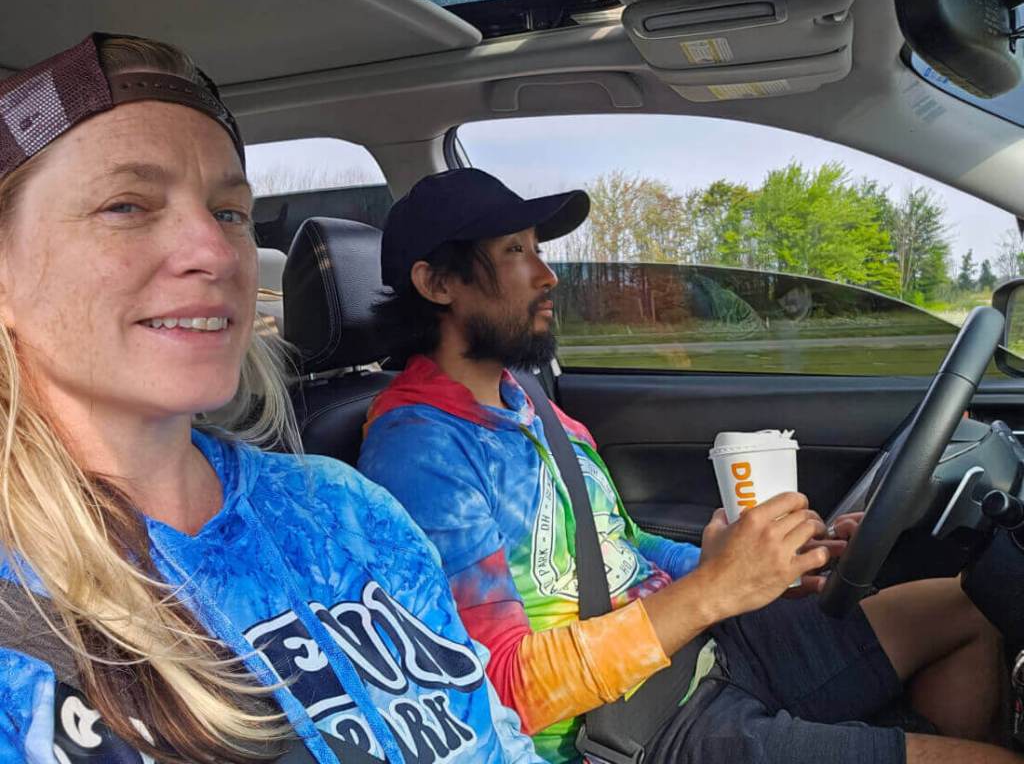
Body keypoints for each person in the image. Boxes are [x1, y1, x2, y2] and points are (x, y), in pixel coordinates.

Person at [0, 38, 544, 764]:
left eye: (229, 212)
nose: (218, 253)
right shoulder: (21, 621)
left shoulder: (347, 511)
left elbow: (496, 737)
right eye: (126, 205)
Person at [358, 167, 1012, 764]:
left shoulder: (525, 400)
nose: (547, 274)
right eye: (515, 252)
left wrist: (753, 569)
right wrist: (714, 591)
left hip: (700, 646)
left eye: (538, 248)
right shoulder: (421, 451)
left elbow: (619, 545)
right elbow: (500, 690)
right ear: (438, 282)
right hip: (627, 724)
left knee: (972, 609)